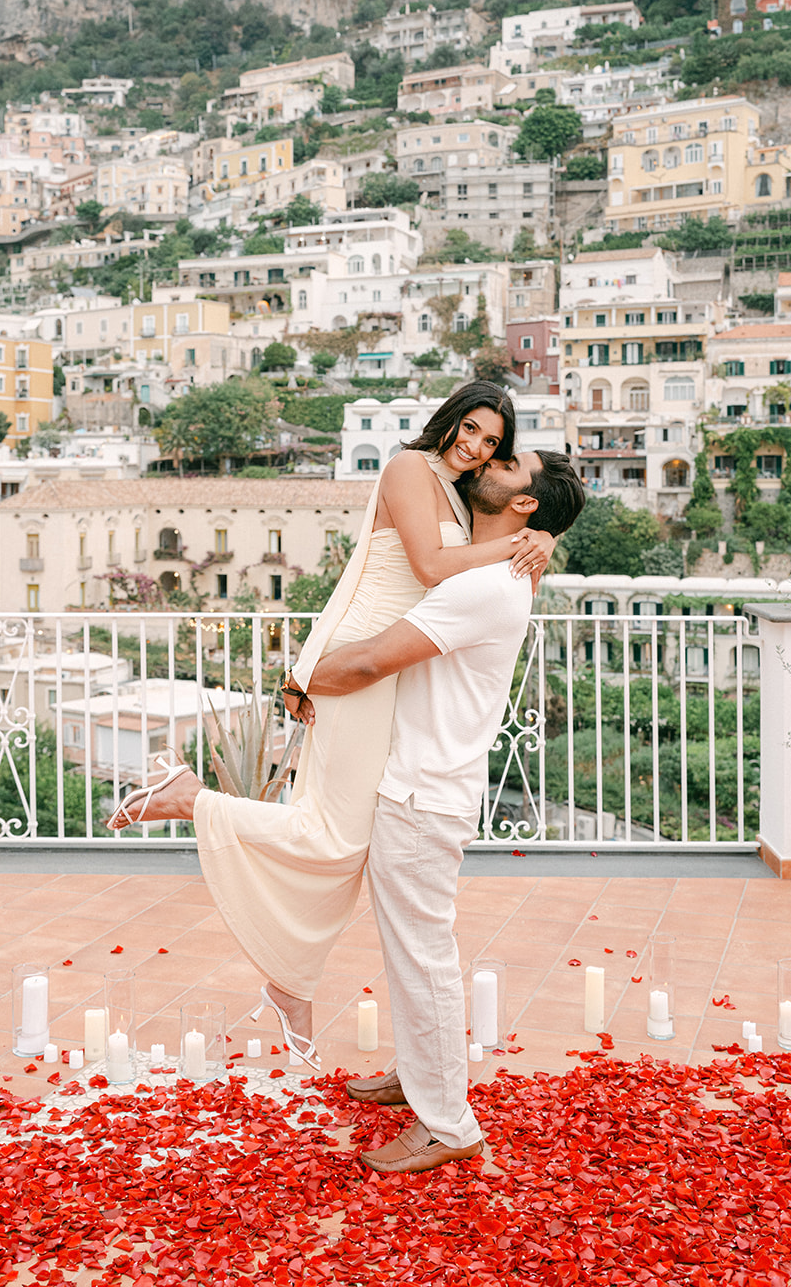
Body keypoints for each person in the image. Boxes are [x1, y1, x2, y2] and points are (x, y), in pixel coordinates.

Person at [107, 382, 555, 1065]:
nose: (474, 447)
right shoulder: (409, 467)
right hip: (363, 660)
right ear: (448, 420)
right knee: (336, 839)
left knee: (343, 840)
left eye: (491, 443)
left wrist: (539, 538)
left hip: (394, 661)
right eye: (469, 429)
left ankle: (291, 985)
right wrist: (311, 663)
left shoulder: (463, 494)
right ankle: (188, 798)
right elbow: (428, 567)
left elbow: (472, 565)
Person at [302, 448, 585, 1173]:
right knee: (411, 955)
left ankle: (448, 1126)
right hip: (422, 786)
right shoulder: (489, 565)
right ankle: (420, 1077)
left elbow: (368, 664)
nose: (490, 457)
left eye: (509, 461)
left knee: (423, 957)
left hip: (423, 795)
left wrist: (303, 677)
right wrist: (545, 538)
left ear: (522, 505)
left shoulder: (484, 584)